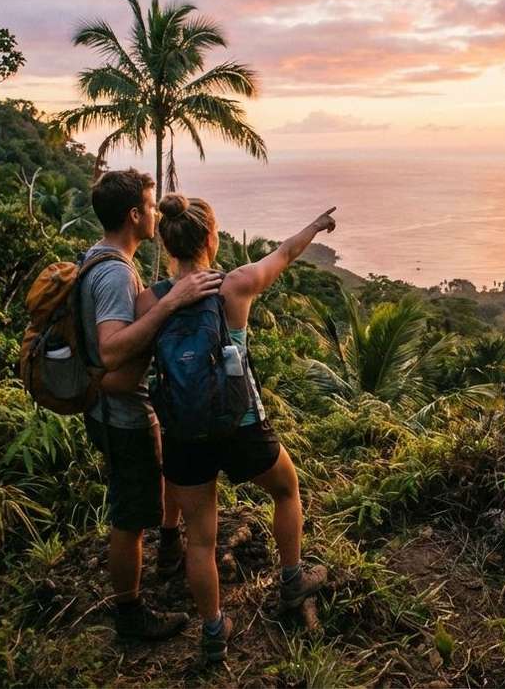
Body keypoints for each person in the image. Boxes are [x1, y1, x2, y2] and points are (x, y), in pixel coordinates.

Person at [135, 194, 335, 663]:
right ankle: (292, 580)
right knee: (286, 489)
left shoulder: (151, 299)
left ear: (166, 242)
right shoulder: (235, 286)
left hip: (183, 433)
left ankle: (212, 632)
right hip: (241, 424)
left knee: (201, 538)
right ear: (211, 238)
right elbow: (284, 254)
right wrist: (316, 224)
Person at [80, 169, 223, 640]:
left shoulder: (100, 257)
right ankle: (130, 616)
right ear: (133, 216)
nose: (156, 212)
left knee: (142, 500)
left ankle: (164, 555)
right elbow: (111, 350)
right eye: (149, 204)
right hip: (120, 417)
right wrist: (170, 302)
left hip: (116, 407)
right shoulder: (117, 274)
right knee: (128, 517)